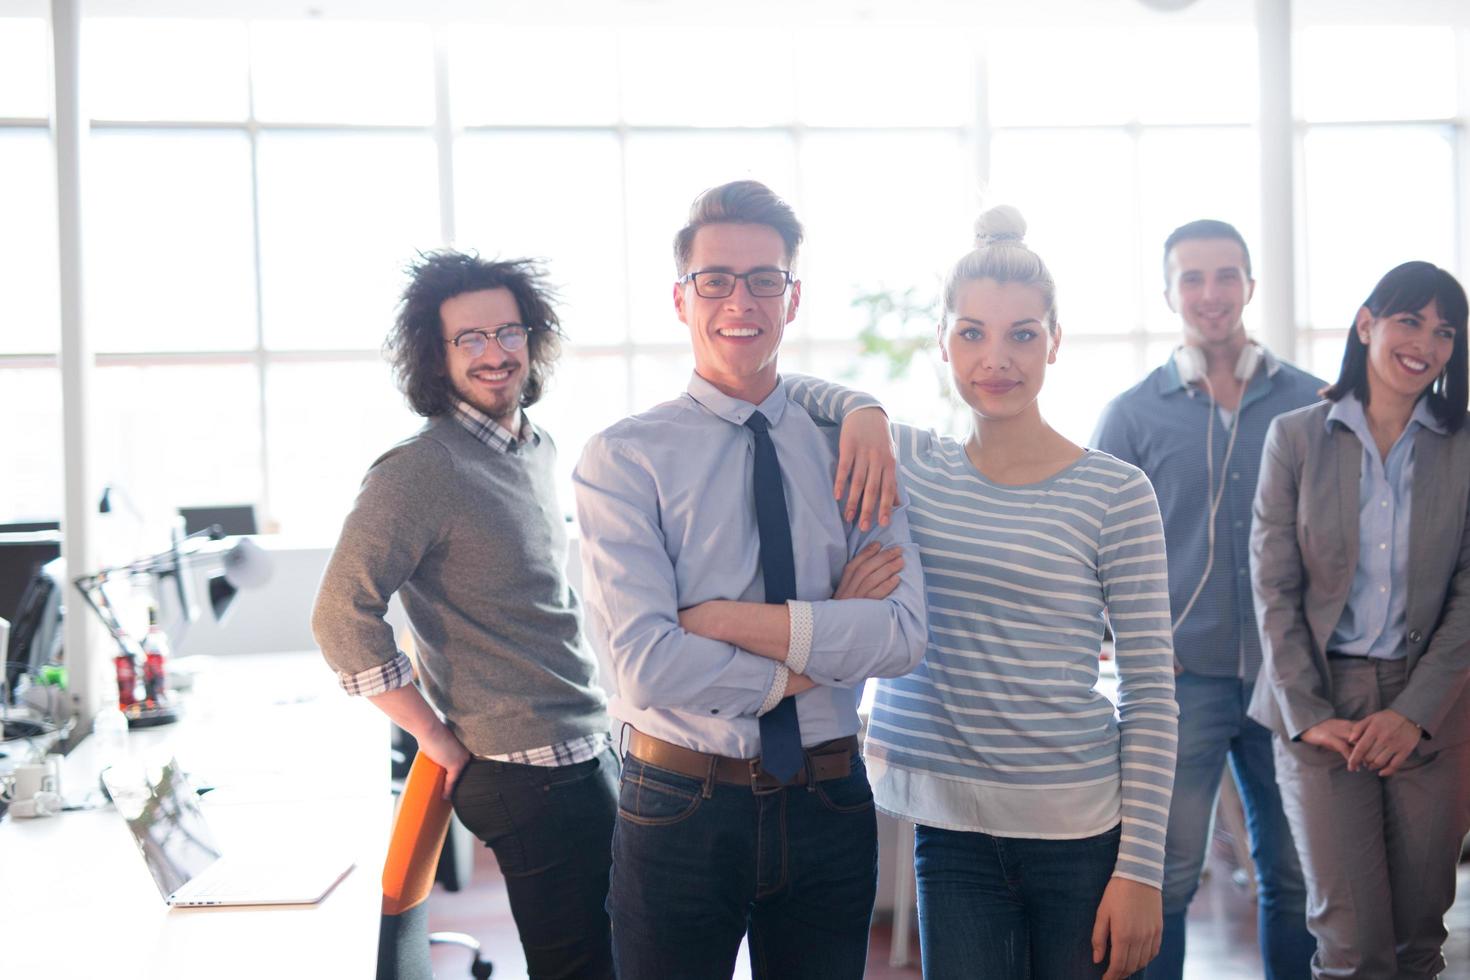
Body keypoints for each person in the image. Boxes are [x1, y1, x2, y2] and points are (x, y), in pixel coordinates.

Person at [786, 205, 1177, 980]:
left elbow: (1152, 693)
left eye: (1022, 334)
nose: (996, 357)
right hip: (952, 833)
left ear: (1055, 342)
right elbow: (779, 390)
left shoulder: (1116, 492)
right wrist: (863, 407)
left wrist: (1141, 871)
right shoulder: (913, 466)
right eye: (972, 333)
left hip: (1080, 836)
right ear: (943, 342)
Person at [572, 179, 928, 979]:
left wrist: (724, 620)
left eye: (766, 279)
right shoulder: (623, 459)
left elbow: (901, 635)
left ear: (793, 299)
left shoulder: (853, 448)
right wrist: (830, 637)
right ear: (680, 297)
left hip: (830, 799)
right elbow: (648, 664)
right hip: (678, 805)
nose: (743, 299)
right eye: (717, 280)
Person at [311, 251, 617, 979]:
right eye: (468, 339)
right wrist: (432, 737)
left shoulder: (532, 446)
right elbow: (338, 618)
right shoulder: (420, 469)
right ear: (433, 354)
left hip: (582, 745)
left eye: (507, 333)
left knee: (614, 954)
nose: (493, 354)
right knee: (579, 968)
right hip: (520, 768)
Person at [1091, 219, 1321, 979]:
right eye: (1192, 278)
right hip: (1177, 687)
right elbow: (1095, 544)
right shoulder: (1131, 413)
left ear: (1250, 286)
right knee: (1166, 880)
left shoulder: (1309, 404)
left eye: (1227, 276)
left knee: (1294, 877)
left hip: (1287, 685)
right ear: (1169, 292)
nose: (1211, 294)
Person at [1250, 260, 1470, 979]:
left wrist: (1414, 712)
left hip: (1434, 710)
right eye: (1411, 320)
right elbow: (1273, 588)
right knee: (1350, 947)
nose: (1427, 344)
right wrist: (1308, 714)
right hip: (1320, 706)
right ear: (1367, 323)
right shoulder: (1296, 436)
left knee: (1417, 943)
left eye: (1445, 331)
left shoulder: (1465, 445)